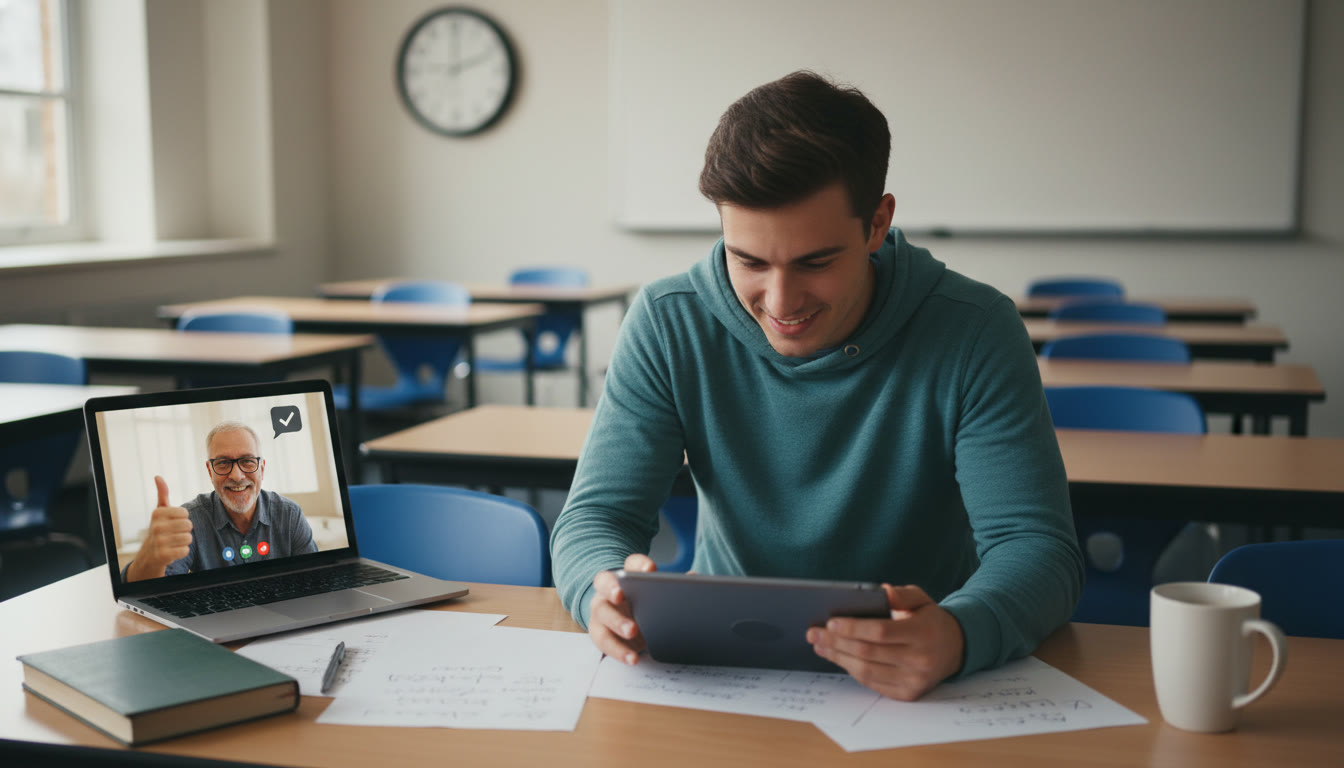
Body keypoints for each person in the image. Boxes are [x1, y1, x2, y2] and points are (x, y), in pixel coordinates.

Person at [550, 71, 1084, 701]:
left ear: (878, 223)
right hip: (717, 670)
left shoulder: (975, 330)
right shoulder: (669, 320)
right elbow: (595, 519)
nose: (780, 302)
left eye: (816, 262)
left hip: (916, 682)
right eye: (748, 260)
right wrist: (600, 590)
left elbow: (1037, 548)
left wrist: (961, 634)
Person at [123, 421, 317, 582]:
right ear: (210, 471)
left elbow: (314, 579)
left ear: (262, 468)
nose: (237, 475)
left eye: (247, 461)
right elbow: (154, 590)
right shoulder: (189, 520)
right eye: (223, 463)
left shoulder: (290, 514)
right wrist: (149, 557)